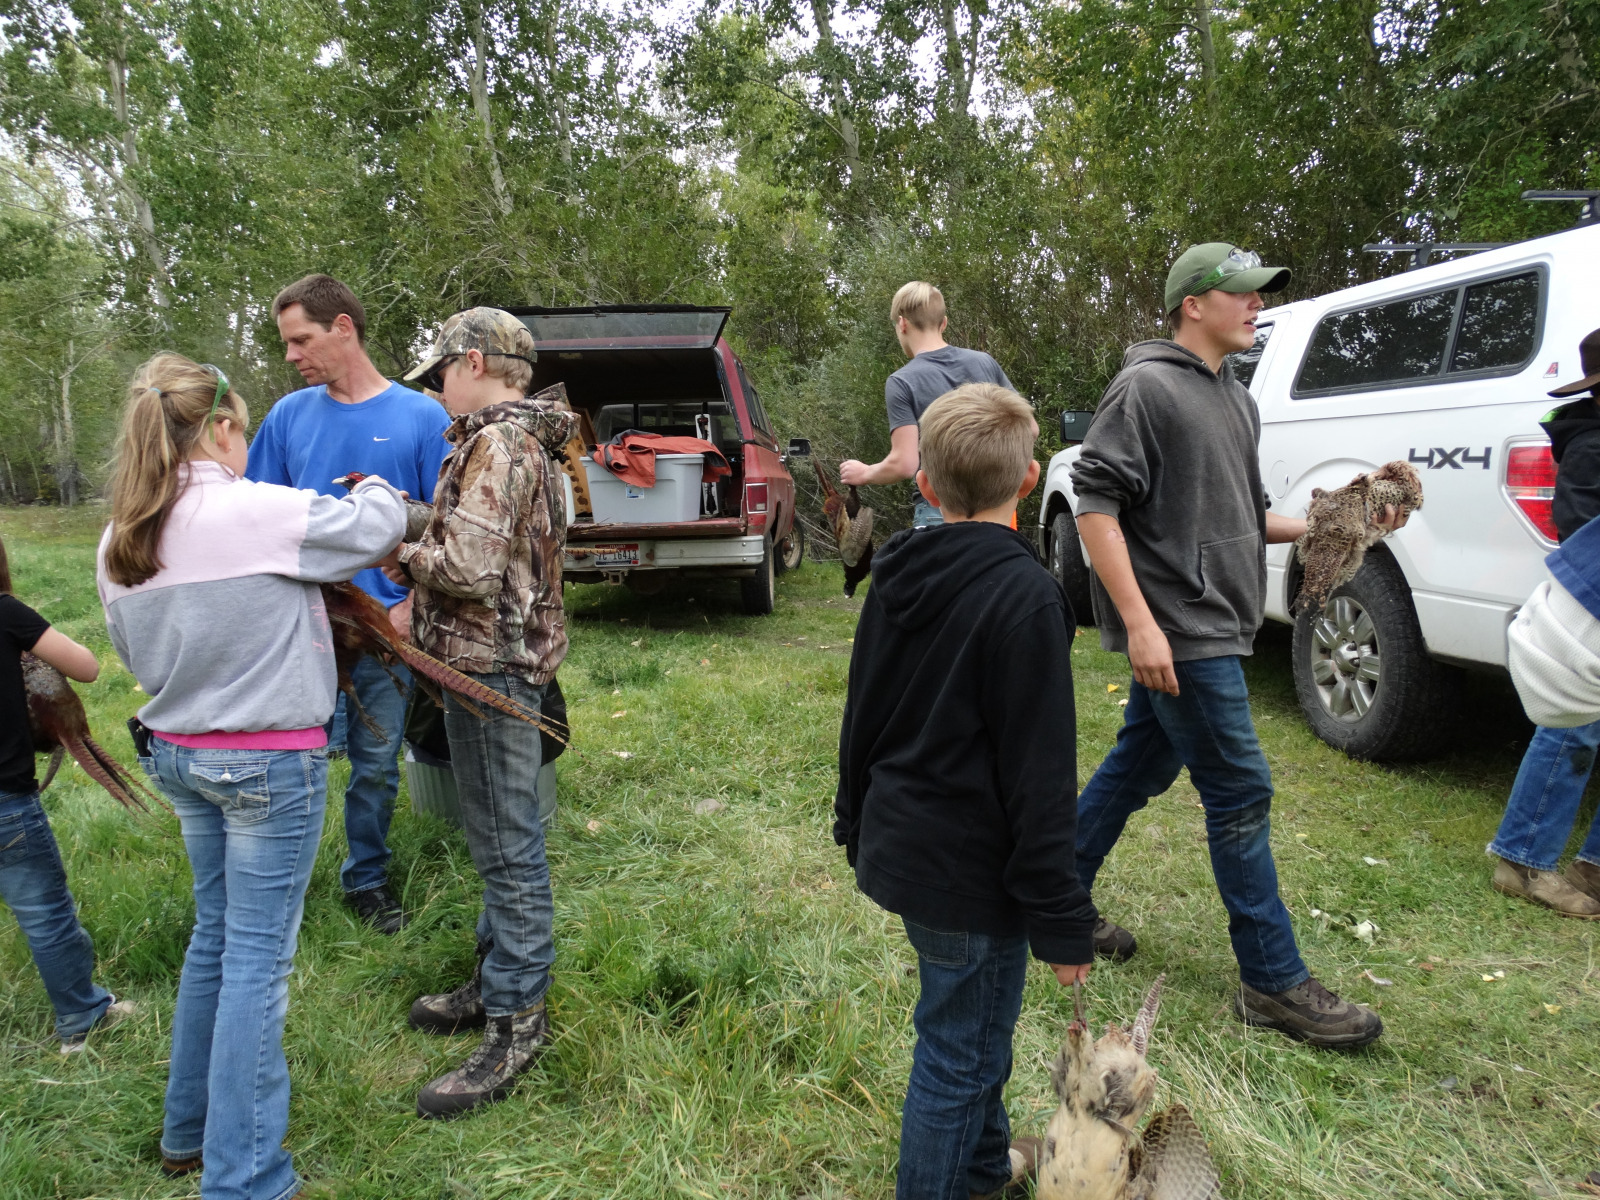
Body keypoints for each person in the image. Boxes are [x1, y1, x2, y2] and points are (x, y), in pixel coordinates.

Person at [97, 354, 405, 1198]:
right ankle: (246, 1178)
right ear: (224, 428)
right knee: (257, 968)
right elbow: (373, 527)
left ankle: (188, 1132)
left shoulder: (121, 537)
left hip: (180, 754)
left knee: (217, 939)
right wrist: (379, 482)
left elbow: (132, 656)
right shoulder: (255, 509)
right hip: (268, 763)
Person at [1069, 242, 1387, 1049]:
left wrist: (1334, 524)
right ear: (1192, 304)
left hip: (1213, 623)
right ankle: (1272, 981)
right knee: (1240, 792)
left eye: (1259, 293)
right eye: (1242, 292)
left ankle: (1051, 896)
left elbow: (1247, 517)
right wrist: (1141, 623)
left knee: (1138, 766)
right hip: (1181, 626)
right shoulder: (1145, 388)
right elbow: (1094, 505)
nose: (1256, 304)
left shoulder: (1237, 401)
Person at [835, 382, 1095, 1199]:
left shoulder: (895, 574)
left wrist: (851, 817)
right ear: (1029, 481)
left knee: (973, 1029)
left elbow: (861, 712)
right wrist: (1063, 921)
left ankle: (982, 1169)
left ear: (924, 485)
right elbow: (1040, 778)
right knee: (960, 1053)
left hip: (906, 848)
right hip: (970, 875)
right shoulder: (1028, 598)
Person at [380, 308, 574, 1119]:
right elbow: (484, 537)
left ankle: (517, 1023)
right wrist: (409, 511)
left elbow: (467, 566)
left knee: (508, 850)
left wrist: (395, 547)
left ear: (472, 363)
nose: (436, 390)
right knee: (499, 841)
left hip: (492, 669)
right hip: (491, 664)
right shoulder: (524, 440)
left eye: (439, 374)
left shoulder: (497, 443)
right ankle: (497, 983)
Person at [246, 273, 451, 934]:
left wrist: (410, 607)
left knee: (375, 765)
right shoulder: (287, 417)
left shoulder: (423, 418)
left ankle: (366, 879)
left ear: (343, 328)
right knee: (288, 762)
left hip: (383, 629)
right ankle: (277, 884)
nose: (291, 356)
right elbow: (251, 517)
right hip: (298, 628)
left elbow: (446, 530)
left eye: (300, 339)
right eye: (285, 343)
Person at [0, 535, 134, 1054]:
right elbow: (86, 666)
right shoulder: (7, 612)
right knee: (46, 916)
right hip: (7, 802)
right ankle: (82, 1017)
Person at [1489, 329, 1600, 917]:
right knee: (1573, 723)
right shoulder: (1590, 445)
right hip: (1589, 602)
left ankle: (1593, 866)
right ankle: (1523, 859)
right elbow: (1580, 530)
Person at [840, 281, 1013, 527]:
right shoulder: (984, 362)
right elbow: (1029, 428)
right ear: (944, 323)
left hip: (938, 509)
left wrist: (865, 473)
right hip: (996, 507)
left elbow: (904, 464)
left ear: (902, 323)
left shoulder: (902, 381)